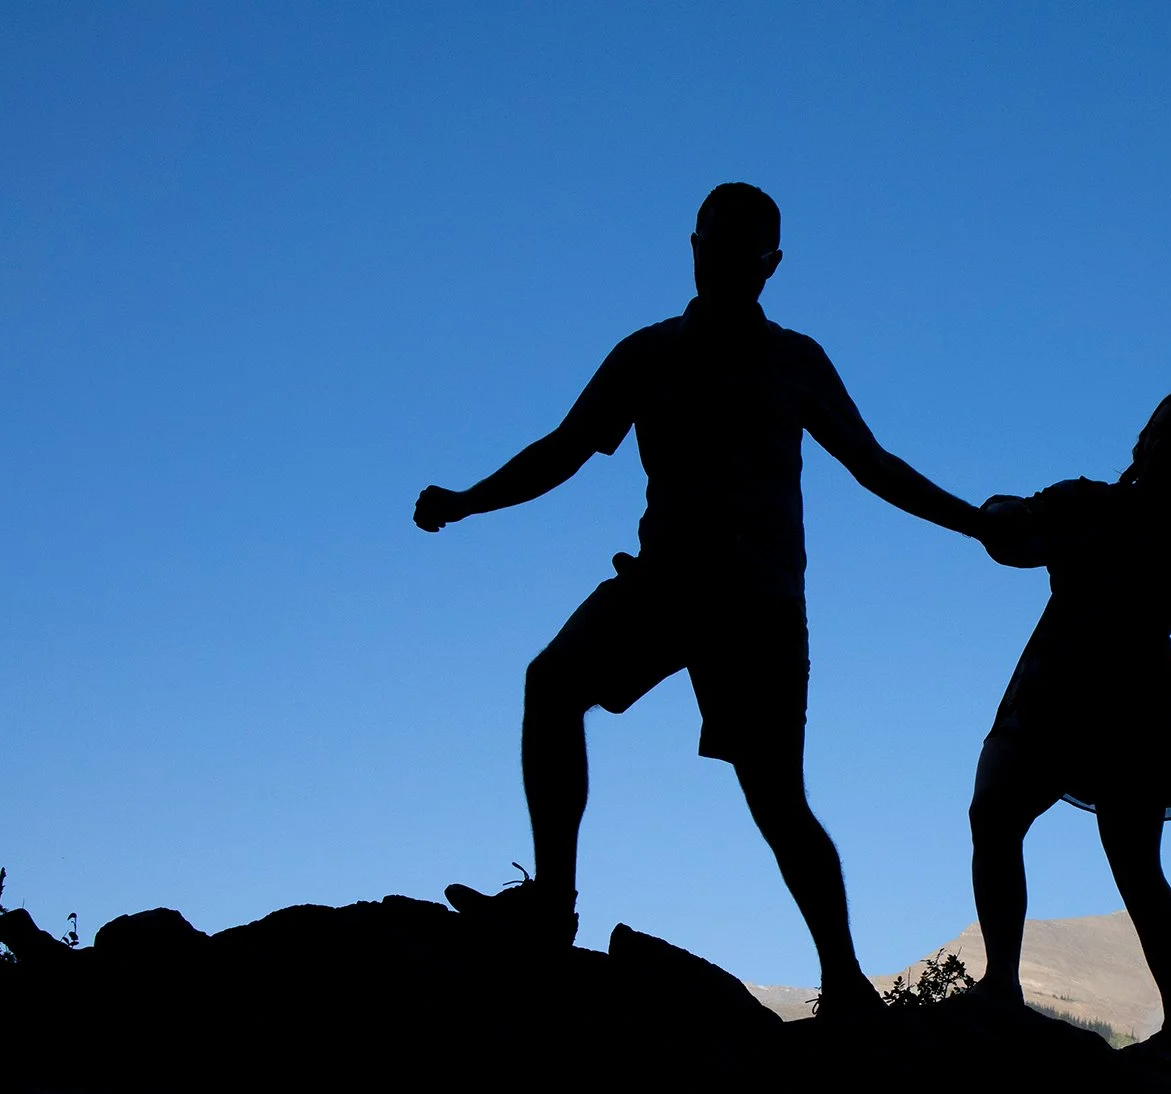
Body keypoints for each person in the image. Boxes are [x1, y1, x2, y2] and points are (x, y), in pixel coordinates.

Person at [412, 184, 989, 1016]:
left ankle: (842, 980)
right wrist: (469, 499)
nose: (721, 260)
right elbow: (565, 448)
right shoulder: (647, 355)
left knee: (776, 797)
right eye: (712, 242)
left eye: (741, 249)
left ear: (771, 266)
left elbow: (873, 463)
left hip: (756, 609)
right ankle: (552, 904)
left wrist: (970, 522)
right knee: (553, 686)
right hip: (664, 585)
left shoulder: (796, 361)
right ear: (692, 246)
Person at [968, 390, 1171, 1069]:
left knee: (1133, 866)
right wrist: (996, 515)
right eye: (1159, 431)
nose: (1160, 443)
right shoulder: (1086, 504)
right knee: (993, 814)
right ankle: (1001, 983)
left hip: (1126, 711)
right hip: (1059, 694)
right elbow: (1018, 532)